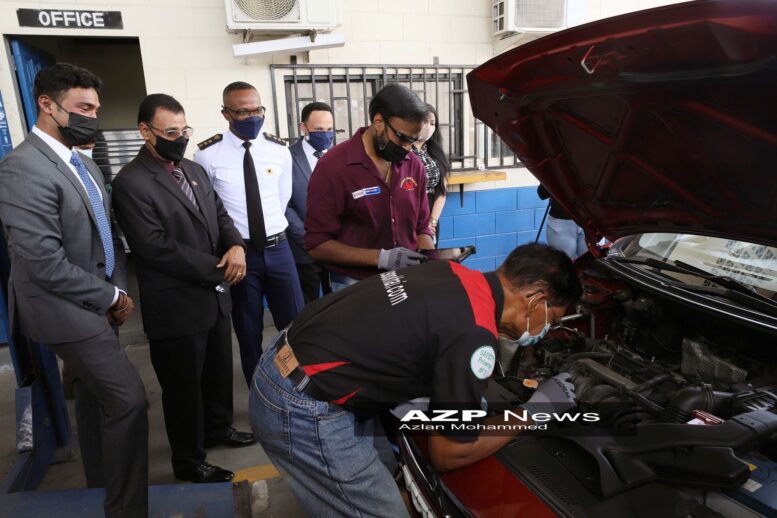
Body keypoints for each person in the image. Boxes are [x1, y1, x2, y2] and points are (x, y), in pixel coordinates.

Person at [249, 243, 581, 516]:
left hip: (282, 364)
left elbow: (415, 332)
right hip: (302, 407)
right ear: (535, 300)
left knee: (388, 470)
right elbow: (448, 454)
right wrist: (533, 411)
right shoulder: (474, 335)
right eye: (552, 319)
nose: (547, 331)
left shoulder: (450, 272)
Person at [0, 63, 148, 517]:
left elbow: (109, 236)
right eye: (83, 107)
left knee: (91, 397)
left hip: (100, 300)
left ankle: (99, 487)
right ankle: (125, 510)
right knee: (128, 401)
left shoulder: (81, 162)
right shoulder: (21, 169)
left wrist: (117, 287)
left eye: (96, 108)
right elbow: (42, 262)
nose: (93, 117)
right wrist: (111, 297)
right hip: (63, 307)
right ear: (47, 104)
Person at [112, 93, 255, 484]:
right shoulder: (131, 183)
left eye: (184, 129)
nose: (180, 138)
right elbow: (154, 246)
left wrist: (237, 245)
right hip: (176, 304)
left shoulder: (192, 169)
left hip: (213, 297)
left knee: (217, 373)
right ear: (145, 131)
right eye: (171, 132)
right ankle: (189, 460)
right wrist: (220, 268)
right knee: (183, 389)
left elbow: (220, 214)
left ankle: (219, 428)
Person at [195, 82, 304, 385]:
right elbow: (209, 210)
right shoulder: (207, 154)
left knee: (293, 326)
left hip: (279, 250)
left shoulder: (279, 150)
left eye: (257, 110)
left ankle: (295, 388)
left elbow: (282, 200)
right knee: (248, 328)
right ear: (225, 113)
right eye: (242, 111)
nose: (252, 116)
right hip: (240, 255)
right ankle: (260, 392)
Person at [305, 83, 435, 290]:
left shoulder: (414, 165)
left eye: (413, 140)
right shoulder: (333, 167)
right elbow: (317, 244)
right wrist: (380, 258)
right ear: (378, 121)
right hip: (354, 285)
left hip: (405, 281)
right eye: (402, 138)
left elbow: (421, 226)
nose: (407, 148)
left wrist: (431, 258)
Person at [285, 101, 335, 303]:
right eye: (318, 129)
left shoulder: (339, 155)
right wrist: (307, 238)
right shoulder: (286, 157)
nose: (325, 134)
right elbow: (284, 203)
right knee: (307, 305)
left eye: (329, 129)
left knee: (338, 303)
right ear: (303, 127)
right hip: (304, 248)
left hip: (337, 247)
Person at [412, 104, 449, 243]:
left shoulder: (435, 152)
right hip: (409, 215)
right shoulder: (403, 151)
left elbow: (442, 190)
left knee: (429, 259)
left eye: (432, 123)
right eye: (424, 122)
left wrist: (432, 221)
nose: (428, 127)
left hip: (431, 215)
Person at [537, 184, 587, 259]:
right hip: (562, 222)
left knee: (591, 264)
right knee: (565, 264)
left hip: (591, 222)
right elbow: (542, 194)